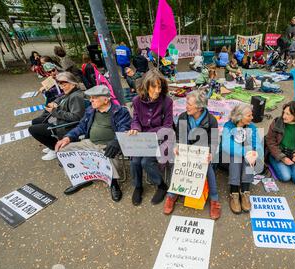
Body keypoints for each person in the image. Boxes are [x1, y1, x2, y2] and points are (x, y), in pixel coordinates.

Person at [55, 85, 131, 202]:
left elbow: (124, 129)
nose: (90, 100)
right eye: (90, 98)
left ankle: (113, 183)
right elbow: (81, 126)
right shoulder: (91, 110)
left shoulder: (120, 111)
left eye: (94, 98)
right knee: (63, 150)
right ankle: (82, 179)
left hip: (108, 145)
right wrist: (68, 137)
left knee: (109, 155)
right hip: (90, 142)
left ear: (105, 100)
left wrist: (116, 141)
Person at [163, 90, 222, 219]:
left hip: (202, 152)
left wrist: (211, 152)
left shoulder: (211, 120)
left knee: (208, 168)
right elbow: (179, 136)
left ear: (200, 107)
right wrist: (178, 146)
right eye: (186, 103)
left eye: (189, 104)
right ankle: (172, 195)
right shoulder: (183, 117)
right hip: (187, 150)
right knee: (176, 163)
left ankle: (214, 199)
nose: (186, 106)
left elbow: (214, 140)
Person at [129, 70, 173, 206]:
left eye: (159, 87)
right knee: (135, 161)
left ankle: (161, 185)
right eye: (154, 87)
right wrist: (135, 128)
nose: (157, 90)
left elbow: (168, 126)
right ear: (146, 86)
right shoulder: (137, 101)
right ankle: (138, 186)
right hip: (142, 139)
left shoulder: (167, 101)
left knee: (145, 162)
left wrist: (149, 133)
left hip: (161, 139)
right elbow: (135, 119)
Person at [29, 72, 86, 161]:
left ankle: (54, 148)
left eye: (64, 84)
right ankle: (51, 143)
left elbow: (76, 117)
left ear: (72, 84)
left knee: (32, 129)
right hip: (61, 120)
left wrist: (55, 111)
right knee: (36, 121)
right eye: (60, 84)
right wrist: (55, 103)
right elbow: (61, 97)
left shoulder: (76, 97)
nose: (61, 87)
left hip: (66, 126)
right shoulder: (70, 92)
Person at [221, 103, 264, 214]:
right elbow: (227, 145)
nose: (252, 117)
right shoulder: (229, 126)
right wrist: (247, 152)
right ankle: (234, 192)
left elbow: (257, 145)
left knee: (249, 158)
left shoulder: (252, 127)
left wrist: (254, 154)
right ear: (240, 116)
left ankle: (245, 191)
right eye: (249, 115)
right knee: (236, 158)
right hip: (229, 159)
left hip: (246, 158)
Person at [265, 101, 295, 185]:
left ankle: (288, 166)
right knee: (286, 177)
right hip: (278, 153)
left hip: (294, 154)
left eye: (288, 114)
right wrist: (282, 158)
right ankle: (272, 163)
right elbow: (270, 141)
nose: (284, 116)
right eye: (284, 112)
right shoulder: (277, 122)